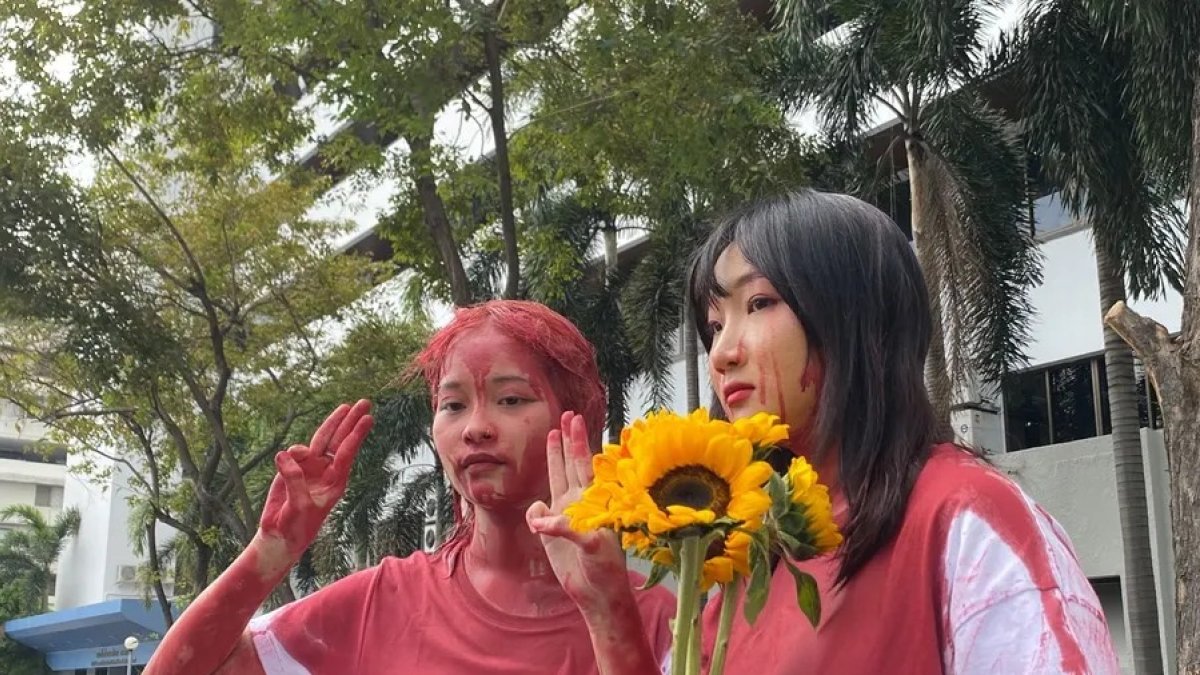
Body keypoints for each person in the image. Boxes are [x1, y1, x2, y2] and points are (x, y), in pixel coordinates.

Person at [530, 190, 1121, 674]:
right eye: (714, 325)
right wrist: (607, 608)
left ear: (854, 316)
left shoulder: (965, 517)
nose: (722, 354)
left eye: (758, 303)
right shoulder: (746, 564)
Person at [145, 300, 675, 675]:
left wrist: (608, 616)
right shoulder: (380, 603)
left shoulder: (658, 621)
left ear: (579, 420)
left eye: (512, 400)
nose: (475, 427)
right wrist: (270, 552)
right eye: (453, 404)